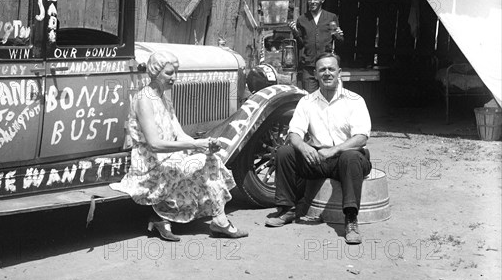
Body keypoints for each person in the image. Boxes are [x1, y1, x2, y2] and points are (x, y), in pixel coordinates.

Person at [111, 50, 248, 241]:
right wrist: (195, 145)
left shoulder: (164, 98)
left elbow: (179, 133)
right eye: (169, 73)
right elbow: (154, 144)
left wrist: (203, 145)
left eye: (176, 72)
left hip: (168, 155)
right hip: (149, 161)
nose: (174, 77)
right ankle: (211, 221)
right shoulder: (144, 99)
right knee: (199, 164)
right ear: (154, 72)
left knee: (209, 158)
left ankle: (217, 219)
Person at [265, 52, 372, 245]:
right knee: (285, 153)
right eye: (322, 69)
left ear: (339, 72)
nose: (327, 73)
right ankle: (287, 210)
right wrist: (304, 148)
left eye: (331, 69)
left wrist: (333, 150)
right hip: (317, 157)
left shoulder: (355, 100)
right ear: (315, 73)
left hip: (347, 158)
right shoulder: (307, 101)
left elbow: (361, 137)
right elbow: (294, 133)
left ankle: (350, 220)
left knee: (351, 157)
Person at [289, 0, 344, 92]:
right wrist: (295, 33)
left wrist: (338, 35)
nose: (312, 2)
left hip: (327, 66)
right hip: (309, 67)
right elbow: (300, 45)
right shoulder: (302, 19)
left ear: (322, 0)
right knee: (310, 98)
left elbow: (340, 41)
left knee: (328, 96)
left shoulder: (330, 17)